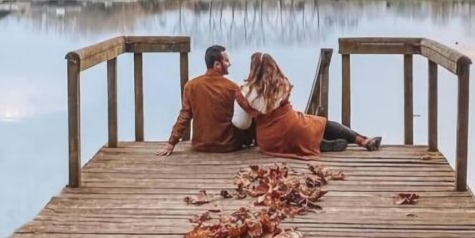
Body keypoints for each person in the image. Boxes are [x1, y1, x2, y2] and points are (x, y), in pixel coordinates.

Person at [232, 52, 380, 159]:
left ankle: (318, 143)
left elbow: (242, 121)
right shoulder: (282, 84)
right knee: (321, 123)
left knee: (307, 128)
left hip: (268, 142)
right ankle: (362, 140)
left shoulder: (244, 91)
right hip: (293, 126)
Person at [158, 44, 254, 156]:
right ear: (217, 65)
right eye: (226, 61)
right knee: (248, 114)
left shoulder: (191, 85)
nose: (230, 64)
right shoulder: (232, 87)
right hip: (227, 145)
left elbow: (185, 116)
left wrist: (171, 142)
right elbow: (247, 110)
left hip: (200, 145)